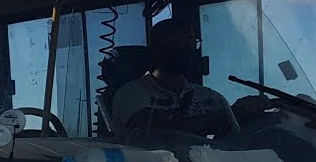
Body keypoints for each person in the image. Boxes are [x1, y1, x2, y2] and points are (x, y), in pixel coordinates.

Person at [112, 19, 270, 140]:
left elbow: (231, 132)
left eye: (191, 41)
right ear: (157, 48)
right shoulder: (131, 94)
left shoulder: (209, 96)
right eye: (178, 41)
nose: (187, 47)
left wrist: (247, 110)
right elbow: (160, 133)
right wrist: (229, 114)